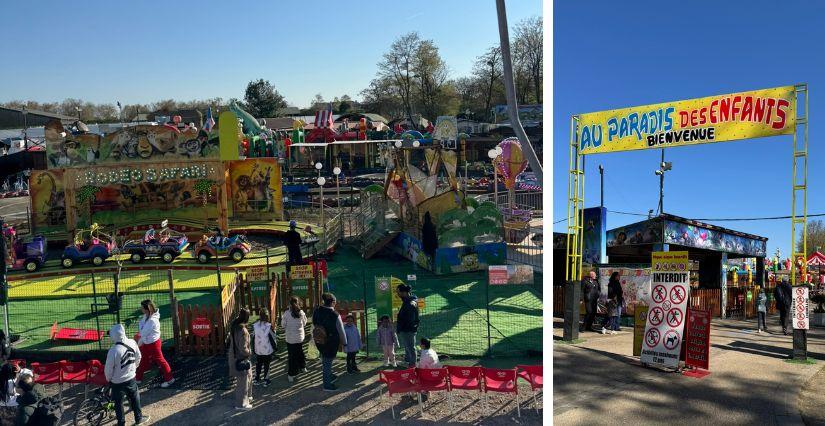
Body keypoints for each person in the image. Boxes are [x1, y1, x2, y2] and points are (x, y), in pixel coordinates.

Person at [104, 324, 150, 425]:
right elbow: (138, 357)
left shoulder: (113, 351)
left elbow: (108, 369)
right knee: (134, 397)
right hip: (131, 378)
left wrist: (109, 379)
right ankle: (138, 419)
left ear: (114, 336)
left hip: (117, 382)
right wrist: (133, 369)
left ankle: (121, 423)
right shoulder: (132, 342)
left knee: (118, 403)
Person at [135, 299, 174, 388]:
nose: (141, 309)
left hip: (153, 344)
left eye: (142, 308)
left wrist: (138, 342)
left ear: (147, 309)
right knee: (143, 359)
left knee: (160, 360)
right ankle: (138, 378)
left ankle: (170, 379)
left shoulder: (152, 320)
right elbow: (142, 331)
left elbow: (143, 332)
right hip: (147, 342)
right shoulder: (146, 316)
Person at [312, 293, 346, 391]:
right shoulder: (335, 314)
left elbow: (314, 322)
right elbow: (341, 330)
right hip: (331, 342)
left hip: (319, 339)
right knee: (327, 362)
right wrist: (345, 343)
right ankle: (327, 385)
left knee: (325, 359)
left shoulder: (317, 311)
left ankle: (330, 376)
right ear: (333, 302)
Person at [228, 308, 253, 410]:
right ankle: (241, 404)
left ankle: (248, 396)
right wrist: (250, 352)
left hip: (234, 356)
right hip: (241, 358)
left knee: (249, 376)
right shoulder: (242, 330)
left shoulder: (234, 325)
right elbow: (243, 348)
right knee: (243, 382)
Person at [282, 297, 308, 383]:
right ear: (299, 303)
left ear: (289, 304)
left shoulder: (286, 313)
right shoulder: (301, 312)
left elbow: (283, 325)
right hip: (299, 338)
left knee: (292, 356)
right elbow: (304, 323)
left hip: (290, 339)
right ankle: (303, 367)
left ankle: (291, 374)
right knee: (300, 352)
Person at [396, 284, 420, 368]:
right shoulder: (409, 300)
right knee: (408, 346)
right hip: (407, 328)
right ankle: (408, 361)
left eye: (398, 292)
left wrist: (404, 326)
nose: (397, 294)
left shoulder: (410, 303)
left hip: (408, 329)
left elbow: (410, 318)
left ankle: (413, 365)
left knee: (410, 347)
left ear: (404, 292)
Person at [252, 309, 277, 386]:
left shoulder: (255, 325)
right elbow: (273, 338)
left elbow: (253, 337)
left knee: (258, 364)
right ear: (267, 316)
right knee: (267, 364)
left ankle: (256, 378)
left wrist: (253, 348)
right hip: (267, 350)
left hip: (258, 349)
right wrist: (275, 347)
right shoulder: (269, 326)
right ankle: (266, 380)